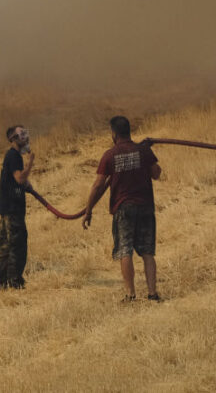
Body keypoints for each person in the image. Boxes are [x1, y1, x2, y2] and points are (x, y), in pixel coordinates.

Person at [83, 116, 162, 302]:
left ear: (113, 133)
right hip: (145, 206)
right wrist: (144, 156)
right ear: (129, 130)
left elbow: (98, 185)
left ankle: (130, 295)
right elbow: (157, 173)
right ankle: (152, 294)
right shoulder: (143, 151)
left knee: (125, 250)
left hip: (123, 208)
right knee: (148, 252)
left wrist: (88, 211)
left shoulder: (110, 155)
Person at [0, 125, 34, 289]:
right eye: (21, 134)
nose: (25, 137)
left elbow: (16, 180)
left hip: (7, 208)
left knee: (5, 246)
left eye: (25, 133)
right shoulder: (14, 156)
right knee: (17, 246)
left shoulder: (13, 156)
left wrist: (27, 185)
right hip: (12, 210)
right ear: (13, 139)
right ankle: (14, 283)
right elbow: (19, 178)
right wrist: (30, 163)